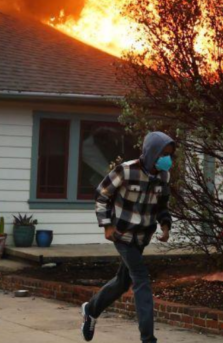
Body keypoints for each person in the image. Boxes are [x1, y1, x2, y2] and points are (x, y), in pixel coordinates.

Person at [81, 131, 175, 343]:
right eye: (163, 154)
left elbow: (162, 206)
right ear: (152, 153)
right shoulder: (125, 170)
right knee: (141, 280)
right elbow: (102, 195)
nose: (167, 159)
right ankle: (148, 339)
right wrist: (106, 225)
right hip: (122, 235)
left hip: (142, 237)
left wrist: (165, 226)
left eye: (170, 155)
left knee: (123, 282)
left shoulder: (163, 176)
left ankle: (91, 310)